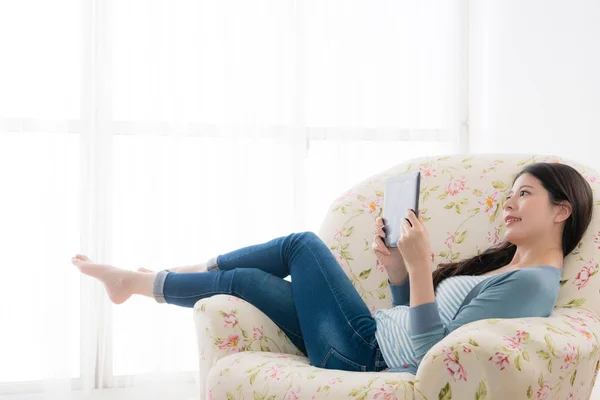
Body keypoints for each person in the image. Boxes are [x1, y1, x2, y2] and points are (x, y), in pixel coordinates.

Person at [71, 162, 594, 374]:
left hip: (362, 353)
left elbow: (431, 358)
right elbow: (413, 322)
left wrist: (418, 269)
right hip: (368, 336)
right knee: (252, 282)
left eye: (523, 194)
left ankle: (167, 271)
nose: (507, 204)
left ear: (561, 209)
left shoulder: (531, 286)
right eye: (509, 194)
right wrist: (397, 271)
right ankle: (139, 283)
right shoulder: (505, 268)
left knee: (301, 245)